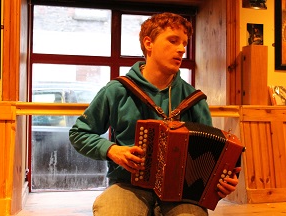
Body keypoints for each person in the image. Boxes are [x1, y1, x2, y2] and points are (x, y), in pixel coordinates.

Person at [69, 12, 241, 216]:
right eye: (173, 40)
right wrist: (112, 150)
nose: (181, 49)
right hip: (127, 185)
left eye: (184, 43)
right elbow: (79, 133)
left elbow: (211, 159)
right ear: (148, 43)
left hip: (182, 194)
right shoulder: (117, 91)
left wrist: (222, 181)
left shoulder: (194, 100)